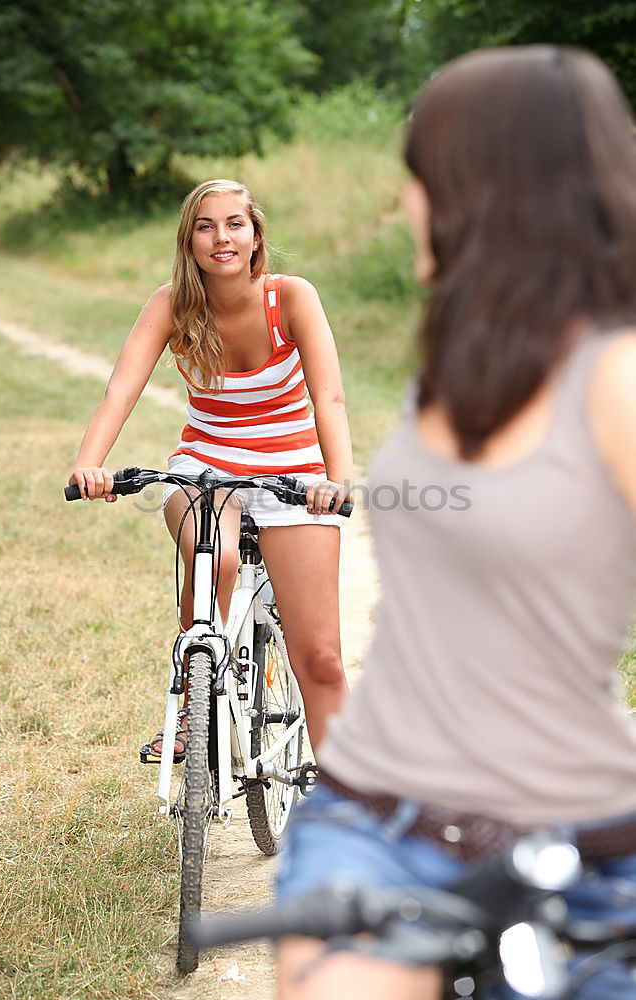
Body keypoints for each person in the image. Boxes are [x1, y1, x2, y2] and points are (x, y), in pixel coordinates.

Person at [275, 46, 636, 1000]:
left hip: (584, 845)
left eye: (419, 182)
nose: (403, 206)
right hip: (374, 820)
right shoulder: (453, 364)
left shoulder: (615, 376)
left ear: (490, 190)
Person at [68, 178, 352, 755]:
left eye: (234, 224)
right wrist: (88, 465)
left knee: (320, 659)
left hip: (293, 472)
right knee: (214, 555)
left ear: (254, 237)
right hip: (207, 465)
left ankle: (348, 803)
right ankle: (193, 714)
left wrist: (336, 478)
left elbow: (331, 400)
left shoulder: (291, 297)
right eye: (205, 226)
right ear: (189, 240)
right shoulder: (171, 303)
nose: (221, 237)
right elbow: (121, 390)